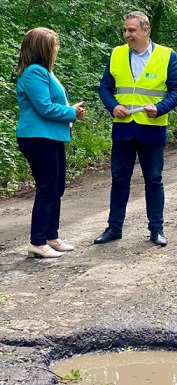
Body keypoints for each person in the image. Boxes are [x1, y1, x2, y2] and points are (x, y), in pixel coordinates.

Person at [94, 11, 177, 247]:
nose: (127, 35)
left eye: (131, 30)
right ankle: (114, 228)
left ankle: (156, 229)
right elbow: (104, 88)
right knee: (119, 180)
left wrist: (161, 108)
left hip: (152, 129)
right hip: (123, 129)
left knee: (154, 180)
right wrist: (113, 107)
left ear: (146, 31)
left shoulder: (167, 55)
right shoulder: (116, 54)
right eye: (125, 30)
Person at [15, 27, 86, 258]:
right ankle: (37, 242)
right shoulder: (34, 72)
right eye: (54, 45)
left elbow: (51, 104)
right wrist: (71, 112)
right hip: (37, 137)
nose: (57, 49)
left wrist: (70, 112)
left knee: (57, 187)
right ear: (44, 49)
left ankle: (51, 237)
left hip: (51, 136)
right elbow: (44, 107)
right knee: (46, 188)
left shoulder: (44, 71)